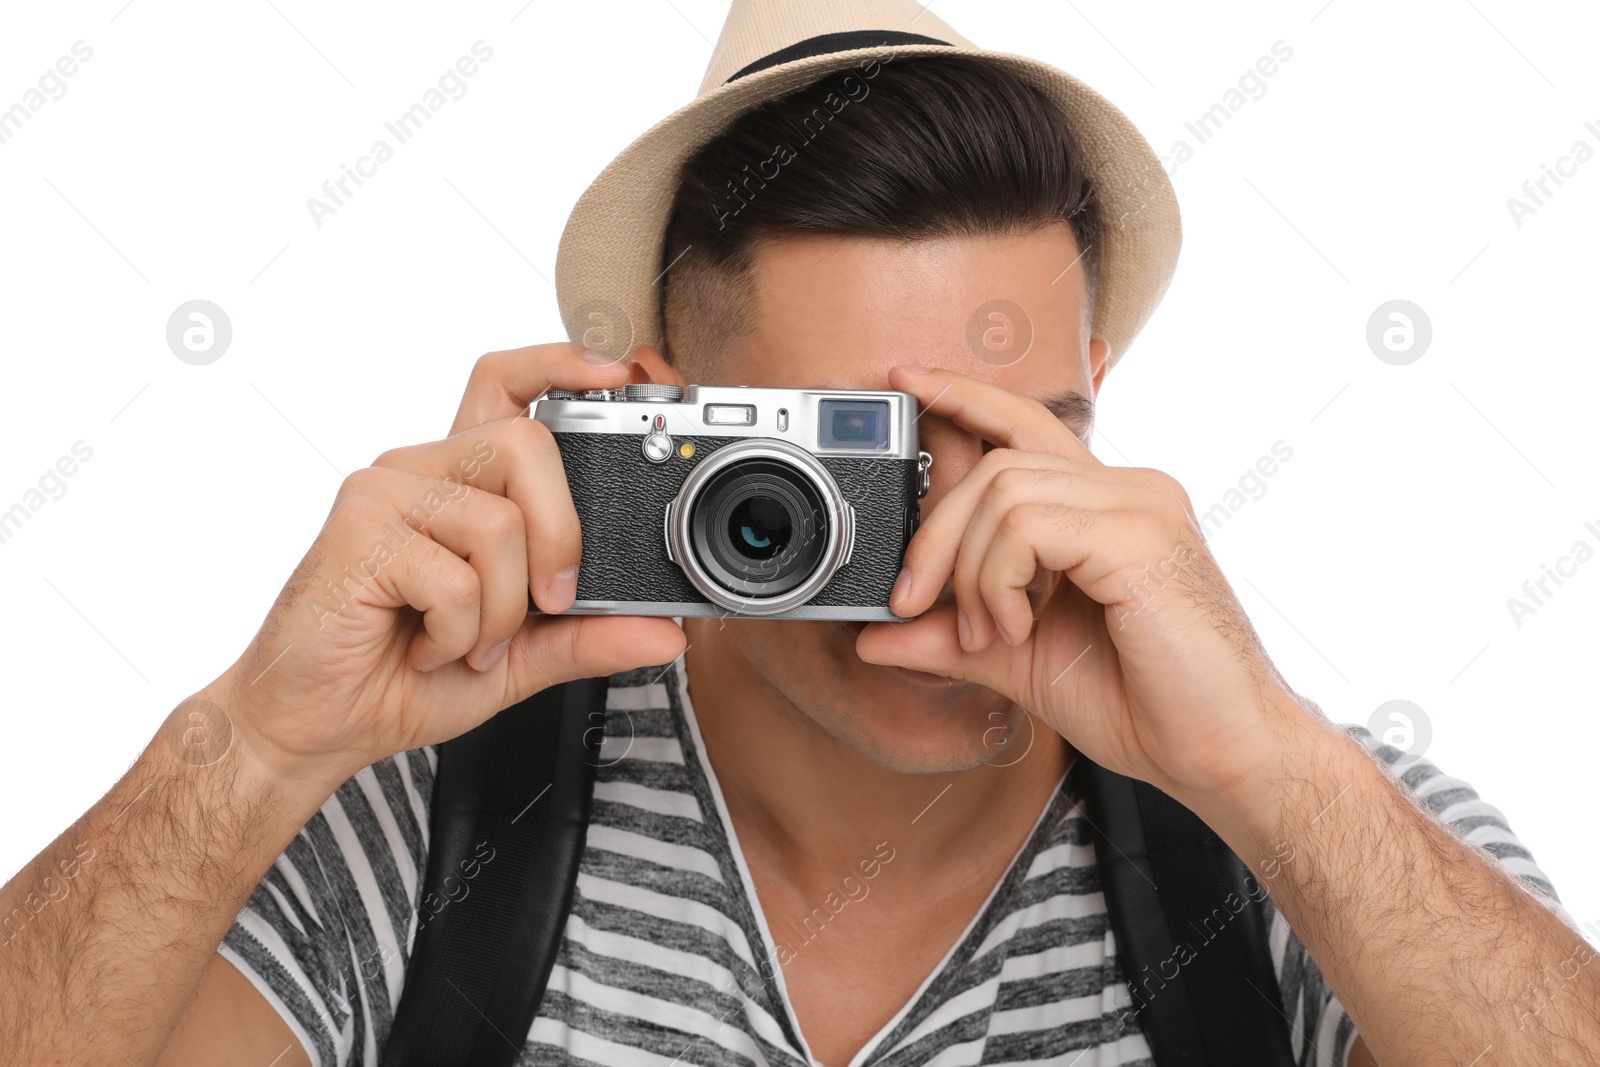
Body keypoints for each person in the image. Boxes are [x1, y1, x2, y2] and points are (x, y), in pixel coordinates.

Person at [3, 2, 1596, 1065]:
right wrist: (254, 740)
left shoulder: (1310, 845)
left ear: (1097, 404)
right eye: (827, 461)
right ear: (651, 428)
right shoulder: (421, 835)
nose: (927, 545)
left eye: (1003, 440)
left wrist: (1271, 769)